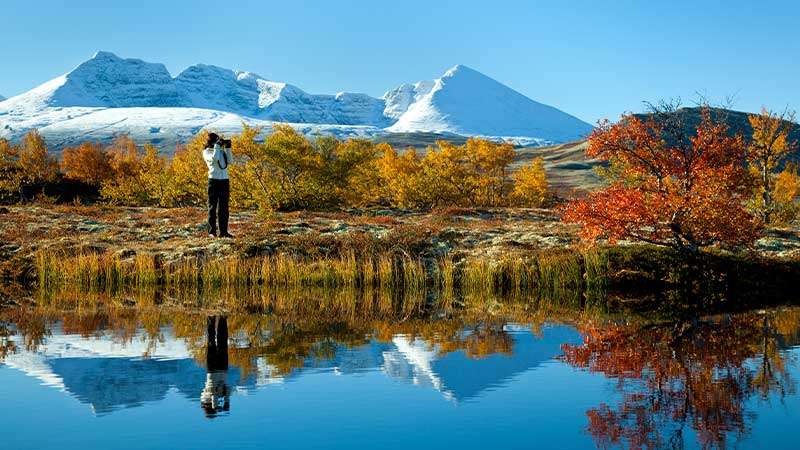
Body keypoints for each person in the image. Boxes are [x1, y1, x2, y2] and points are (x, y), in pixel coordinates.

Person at [202, 132, 234, 238]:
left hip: (224, 180)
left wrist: (228, 148)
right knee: (212, 207)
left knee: (224, 208)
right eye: (216, 140)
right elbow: (214, 159)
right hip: (213, 181)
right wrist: (217, 146)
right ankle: (212, 232)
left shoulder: (220, 151)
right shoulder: (206, 152)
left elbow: (230, 161)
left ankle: (224, 232)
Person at [201, 315, 231, 417]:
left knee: (212, 342)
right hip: (222, 369)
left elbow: (213, 393)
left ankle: (211, 317)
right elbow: (228, 388)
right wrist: (226, 402)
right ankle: (222, 318)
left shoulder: (204, 399)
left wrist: (216, 406)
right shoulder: (221, 395)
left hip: (214, 370)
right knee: (222, 342)